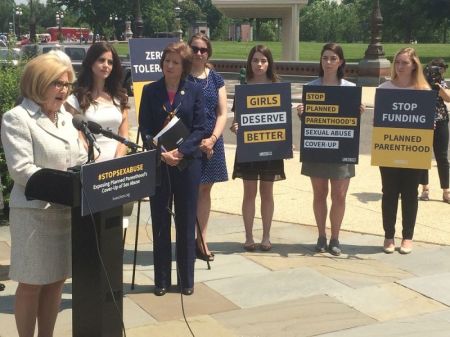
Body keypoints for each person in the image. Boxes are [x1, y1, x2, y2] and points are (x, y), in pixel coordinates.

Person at [1, 53, 86, 337]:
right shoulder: (17, 118)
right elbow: (22, 170)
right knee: (31, 284)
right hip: (35, 214)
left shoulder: (67, 118)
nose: (64, 90)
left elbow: (82, 155)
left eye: (67, 84)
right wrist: (67, 185)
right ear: (38, 83)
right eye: (57, 83)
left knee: (56, 281)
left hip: (65, 212)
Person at [139, 41, 205, 296]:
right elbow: (144, 128)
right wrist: (161, 151)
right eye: (167, 60)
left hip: (187, 165)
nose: (169, 65)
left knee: (186, 222)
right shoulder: (150, 90)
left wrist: (181, 152)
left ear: (184, 66)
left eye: (175, 62)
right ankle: (162, 280)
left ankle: (186, 280)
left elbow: (200, 128)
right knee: (160, 222)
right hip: (159, 164)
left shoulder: (195, 90)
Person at [296, 43, 364, 256]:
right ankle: (321, 235)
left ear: (341, 62)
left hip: (341, 149)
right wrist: (302, 113)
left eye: (333, 58)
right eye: (325, 58)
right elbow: (310, 119)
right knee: (319, 193)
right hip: (317, 147)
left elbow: (350, 120)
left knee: (339, 195)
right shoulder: (312, 87)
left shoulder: (350, 89)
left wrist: (357, 113)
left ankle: (335, 237)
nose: (328, 62)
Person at [230, 45, 285, 252]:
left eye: (263, 60)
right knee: (249, 193)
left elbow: (282, 121)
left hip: (271, 149)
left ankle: (267, 236)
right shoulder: (243, 88)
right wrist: (235, 127)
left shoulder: (277, 87)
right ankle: (249, 236)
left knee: (267, 193)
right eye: (255, 60)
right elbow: (236, 122)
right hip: (249, 149)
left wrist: (285, 140)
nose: (259, 64)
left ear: (269, 63)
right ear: (249, 63)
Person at [378, 47, 430, 254]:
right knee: (389, 192)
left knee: (410, 193)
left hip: (413, 149)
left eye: (404, 63)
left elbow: (427, 121)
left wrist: (429, 126)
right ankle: (388, 236)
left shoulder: (423, 91)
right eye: (397, 62)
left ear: (414, 65)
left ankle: (407, 236)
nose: (400, 67)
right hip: (389, 148)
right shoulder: (384, 89)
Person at [187, 33, 228, 261]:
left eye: (203, 49)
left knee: (204, 191)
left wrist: (212, 139)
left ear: (208, 52)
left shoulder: (215, 79)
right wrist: (194, 141)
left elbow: (222, 113)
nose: (199, 53)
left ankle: (201, 240)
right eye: (195, 48)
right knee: (187, 192)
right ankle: (186, 239)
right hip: (188, 143)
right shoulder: (182, 77)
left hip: (212, 143)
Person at [65, 42, 129, 162]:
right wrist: (95, 162)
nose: (106, 65)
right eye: (101, 60)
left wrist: (117, 160)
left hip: (118, 168)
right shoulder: (75, 99)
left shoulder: (120, 97)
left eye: (110, 62)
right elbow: (78, 137)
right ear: (91, 62)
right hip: (89, 164)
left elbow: (124, 135)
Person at [418, 58, 450, 203]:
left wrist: (437, 86)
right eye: (437, 69)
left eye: (442, 69)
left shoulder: (440, 83)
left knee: (442, 157)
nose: (441, 71)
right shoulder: (421, 83)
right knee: (423, 156)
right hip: (424, 120)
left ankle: (446, 190)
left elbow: (448, 98)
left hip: (441, 120)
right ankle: (425, 189)